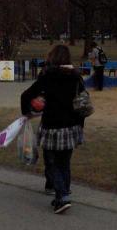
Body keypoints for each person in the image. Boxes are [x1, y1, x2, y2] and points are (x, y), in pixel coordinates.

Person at [20, 44, 86, 214]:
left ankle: (62, 196)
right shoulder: (76, 77)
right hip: (72, 126)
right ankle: (62, 193)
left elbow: (26, 95)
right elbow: (83, 103)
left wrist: (27, 112)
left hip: (52, 126)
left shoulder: (47, 76)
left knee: (52, 163)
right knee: (64, 162)